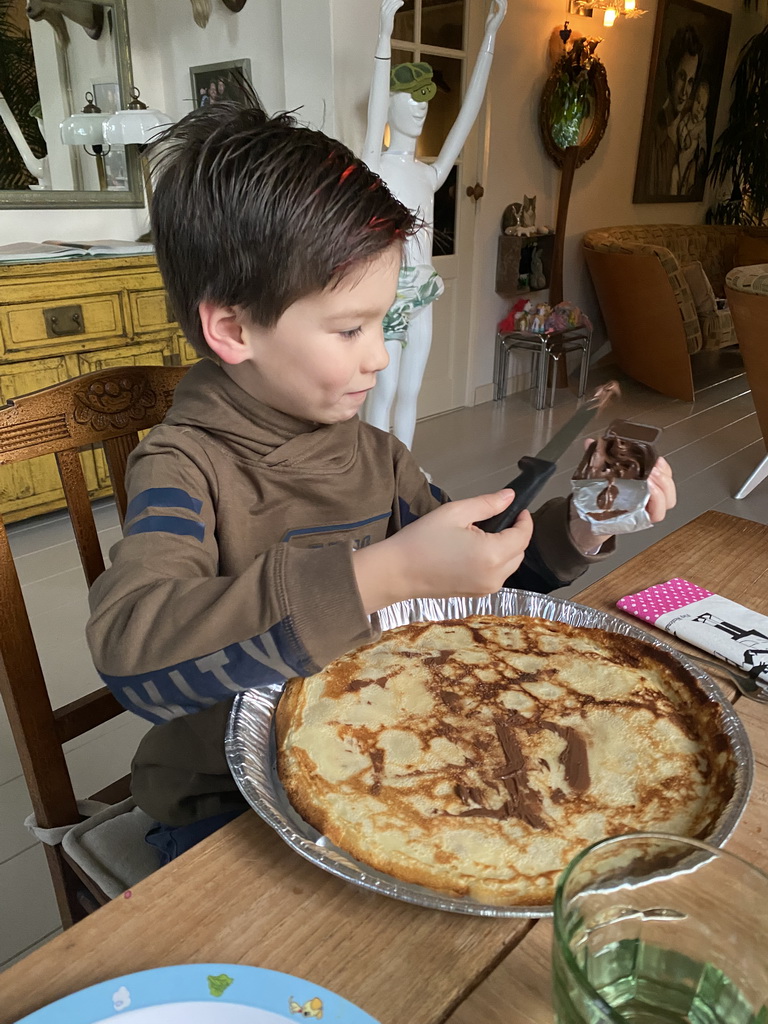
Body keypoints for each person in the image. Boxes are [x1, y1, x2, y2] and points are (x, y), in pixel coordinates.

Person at [85, 99, 677, 864]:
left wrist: (585, 524)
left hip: (379, 764)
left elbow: (474, 571)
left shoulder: (376, 454)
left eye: (383, 324)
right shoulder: (182, 467)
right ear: (231, 330)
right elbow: (136, 661)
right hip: (221, 808)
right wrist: (378, 577)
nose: (380, 359)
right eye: (348, 330)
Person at [361, 0, 507, 450]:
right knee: (380, 395)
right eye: (408, 100)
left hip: (424, 290)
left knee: (410, 393)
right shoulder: (374, 168)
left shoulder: (429, 173)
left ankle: (402, 477)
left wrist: (489, 40)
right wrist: (384, 35)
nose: (419, 109)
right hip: (387, 294)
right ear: (389, 107)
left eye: (423, 100)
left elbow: (467, 117)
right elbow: (374, 110)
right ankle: (374, 479)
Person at [646, 24, 702, 197]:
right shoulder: (655, 135)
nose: (685, 91)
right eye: (682, 77)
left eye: (691, 81)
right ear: (671, 73)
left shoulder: (692, 136)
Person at [672, 79, 709, 195]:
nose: (698, 109)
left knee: (687, 184)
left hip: (689, 164)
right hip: (680, 161)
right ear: (693, 101)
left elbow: (703, 141)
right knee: (674, 175)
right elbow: (681, 126)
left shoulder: (702, 125)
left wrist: (702, 153)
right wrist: (685, 136)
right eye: (698, 102)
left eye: (702, 108)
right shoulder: (687, 117)